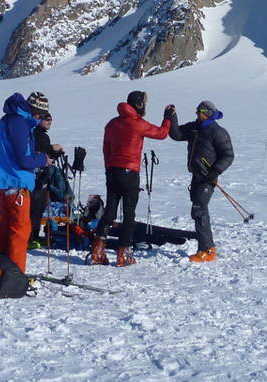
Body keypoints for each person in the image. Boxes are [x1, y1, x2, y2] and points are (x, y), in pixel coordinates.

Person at [90, 91, 172, 267]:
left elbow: (106, 149)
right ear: (139, 105)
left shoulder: (112, 124)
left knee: (110, 212)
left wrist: (108, 168)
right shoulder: (137, 123)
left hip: (112, 171)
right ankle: (124, 253)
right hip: (129, 172)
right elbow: (162, 133)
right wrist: (167, 118)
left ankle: (97, 250)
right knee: (129, 214)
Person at [0, 92, 52, 272]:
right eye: (39, 115)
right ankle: (15, 272)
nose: (39, 120)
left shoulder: (11, 119)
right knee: (20, 228)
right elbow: (23, 159)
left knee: (7, 226)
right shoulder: (19, 123)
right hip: (15, 181)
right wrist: (42, 160)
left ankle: (1, 267)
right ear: (34, 112)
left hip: (8, 180)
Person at [168, 100, 235, 262]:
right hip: (197, 175)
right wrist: (172, 117)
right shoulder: (195, 128)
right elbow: (176, 134)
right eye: (197, 112)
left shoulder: (218, 132)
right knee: (198, 210)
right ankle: (207, 246)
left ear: (208, 114)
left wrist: (214, 172)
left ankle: (207, 249)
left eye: (200, 112)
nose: (197, 115)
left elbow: (228, 155)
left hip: (208, 177)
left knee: (199, 209)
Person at [29, 109, 65, 249]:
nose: (49, 122)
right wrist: (52, 152)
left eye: (50, 119)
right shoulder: (37, 134)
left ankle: (34, 236)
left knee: (38, 208)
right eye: (46, 119)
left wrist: (53, 152)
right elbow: (40, 155)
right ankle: (30, 237)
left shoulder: (41, 135)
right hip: (37, 177)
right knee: (35, 208)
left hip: (41, 176)